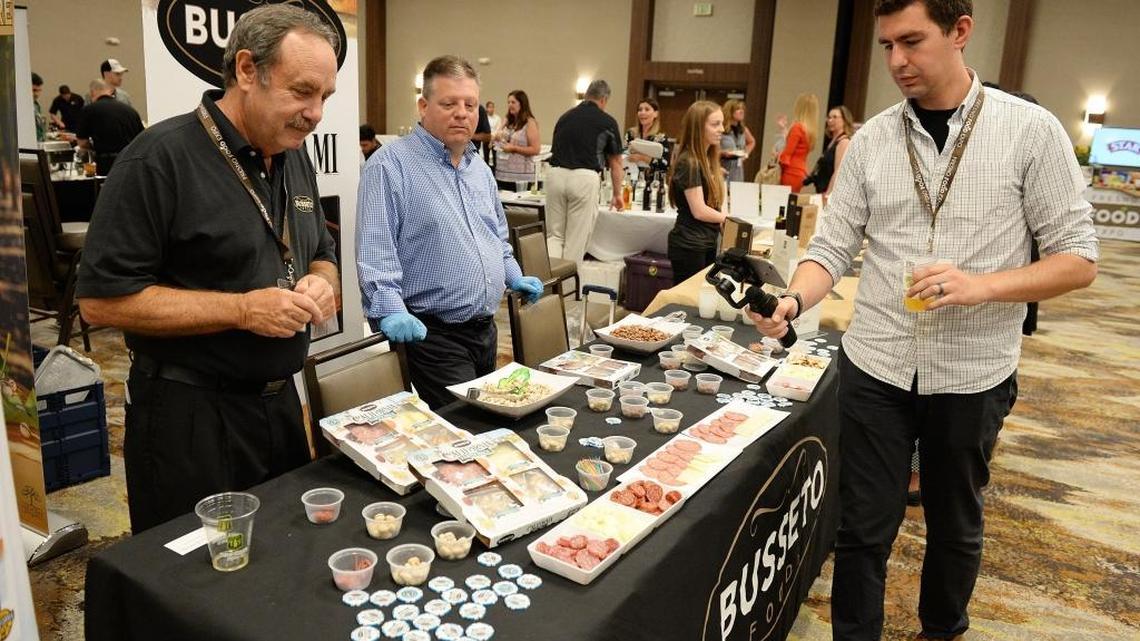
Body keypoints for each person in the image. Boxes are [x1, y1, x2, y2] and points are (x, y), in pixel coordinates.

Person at [750, 1, 1099, 639]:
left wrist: (982, 286)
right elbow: (830, 249)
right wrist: (794, 301)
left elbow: (1078, 260)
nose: (897, 62)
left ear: (960, 31)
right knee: (862, 528)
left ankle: (945, 629)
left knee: (954, 525)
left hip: (972, 371)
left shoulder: (1030, 131)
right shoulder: (871, 141)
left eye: (911, 42)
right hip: (877, 362)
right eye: (886, 46)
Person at [76, 5, 341, 534]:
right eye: (302, 91)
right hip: (188, 419)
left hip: (281, 406)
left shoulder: (293, 156)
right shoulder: (158, 160)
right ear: (247, 71)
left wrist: (322, 284)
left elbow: (322, 253)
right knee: (193, 582)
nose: (315, 114)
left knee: (283, 557)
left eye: (324, 98)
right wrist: (242, 310)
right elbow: (101, 300)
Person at [356, 55, 542, 410]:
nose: (462, 113)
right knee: (470, 427)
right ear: (423, 106)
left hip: (486, 330)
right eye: (449, 103)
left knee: (483, 426)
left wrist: (513, 275)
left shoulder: (479, 169)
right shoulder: (389, 167)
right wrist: (388, 309)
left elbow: (497, 240)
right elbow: (376, 254)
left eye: (470, 104)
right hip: (432, 335)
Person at [545, 80, 624, 262]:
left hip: (555, 175)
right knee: (575, 240)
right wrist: (617, 193)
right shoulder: (607, 122)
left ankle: (547, 286)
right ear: (604, 99)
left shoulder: (565, 117)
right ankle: (568, 288)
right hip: (584, 178)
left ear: (587, 95)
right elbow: (616, 162)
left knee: (554, 236)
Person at [666, 101, 728, 285]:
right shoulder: (689, 162)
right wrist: (726, 219)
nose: (722, 129)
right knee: (687, 302)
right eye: (715, 124)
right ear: (698, 127)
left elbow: (714, 203)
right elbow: (699, 210)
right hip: (689, 245)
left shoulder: (709, 160)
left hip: (706, 242)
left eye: (722, 123)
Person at [75, 79, 145, 175]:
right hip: (130, 163)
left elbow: (82, 143)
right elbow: (142, 139)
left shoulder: (88, 110)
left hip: (106, 164)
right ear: (110, 91)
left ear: (92, 92)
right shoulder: (130, 111)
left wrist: (92, 147)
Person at [493, 90, 540, 190]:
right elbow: (492, 142)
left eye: (513, 102)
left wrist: (514, 148)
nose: (510, 105)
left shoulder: (529, 123)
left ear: (522, 104)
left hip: (520, 178)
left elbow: (536, 149)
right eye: (508, 102)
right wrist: (501, 127)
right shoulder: (508, 122)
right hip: (502, 174)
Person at [804, 105, 855, 196]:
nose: (830, 120)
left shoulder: (843, 142)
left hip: (829, 193)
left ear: (844, 120)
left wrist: (828, 194)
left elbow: (838, 171)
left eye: (835, 117)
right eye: (829, 117)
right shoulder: (833, 141)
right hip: (821, 189)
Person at [777, 93, 819, 192]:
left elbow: (787, 154)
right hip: (800, 171)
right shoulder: (810, 130)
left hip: (790, 172)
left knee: (783, 203)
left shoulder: (797, 127)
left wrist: (778, 161)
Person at [719, 99, 756, 183]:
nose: (741, 111)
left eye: (742, 109)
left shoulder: (743, 130)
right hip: (724, 167)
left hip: (738, 170)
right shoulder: (721, 129)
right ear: (730, 111)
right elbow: (712, 150)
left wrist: (746, 153)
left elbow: (752, 141)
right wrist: (723, 153)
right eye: (738, 109)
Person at [625, 97, 669, 166]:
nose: (642, 112)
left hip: (653, 176)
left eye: (647, 109)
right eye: (640, 110)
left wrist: (642, 158)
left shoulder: (661, 138)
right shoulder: (631, 133)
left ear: (656, 114)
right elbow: (624, 153)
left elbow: (665, 164)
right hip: (632, 174)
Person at [31, 72, 46, 141]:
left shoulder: (36, 105)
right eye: (34, 90)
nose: (37, 94)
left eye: (39, 90)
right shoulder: (22, 107)